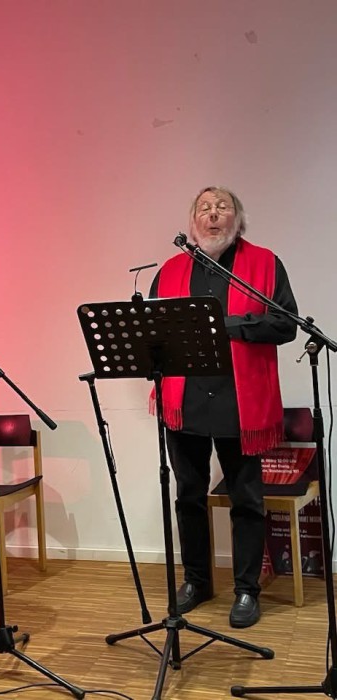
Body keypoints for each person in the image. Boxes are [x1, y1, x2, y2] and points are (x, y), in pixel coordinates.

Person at [149, 186, 298, 628]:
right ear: (193, 222)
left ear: (238, 218)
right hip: (186, 401)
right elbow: (152, 329)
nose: (213, 214)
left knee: (246, 500)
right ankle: (197, 581)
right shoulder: (170, 270)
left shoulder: (265, 264)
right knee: (189, 497)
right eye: (204, 208)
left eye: (222, 207)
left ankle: (247, 590)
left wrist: (230, 326)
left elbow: (285, 323)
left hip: (240, 403)